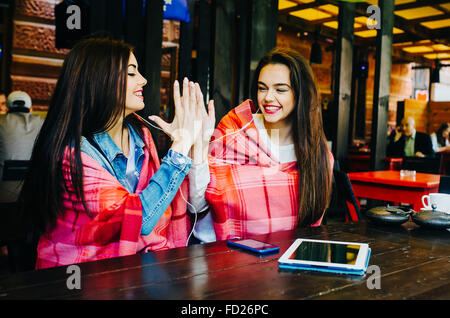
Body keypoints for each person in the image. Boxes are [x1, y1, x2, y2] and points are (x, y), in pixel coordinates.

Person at [17, 38, 214, 269]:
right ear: (100, 81)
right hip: (82, 274)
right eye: (132, 74)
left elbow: (169, 201)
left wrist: (196, 144)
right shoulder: (74, 155)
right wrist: (180, 147)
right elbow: (140, 219)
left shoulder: (141, 136)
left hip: (136, 264)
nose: (144, 80)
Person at [188, 48, 333, 242]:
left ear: (301, 94)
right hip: (219, 253)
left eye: (280, 89)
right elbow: (195, 206)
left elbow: (312, 223)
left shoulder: (317, 155)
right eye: (262, 88)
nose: (268, 98)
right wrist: (198, 148)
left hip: (284, 256)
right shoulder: (235, 130)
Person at [0, 91, 44, 204]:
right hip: (35, 197)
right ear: (30, 108)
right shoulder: (42, 123)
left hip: (3, 196)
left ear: (7, 107)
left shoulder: (2, 122)